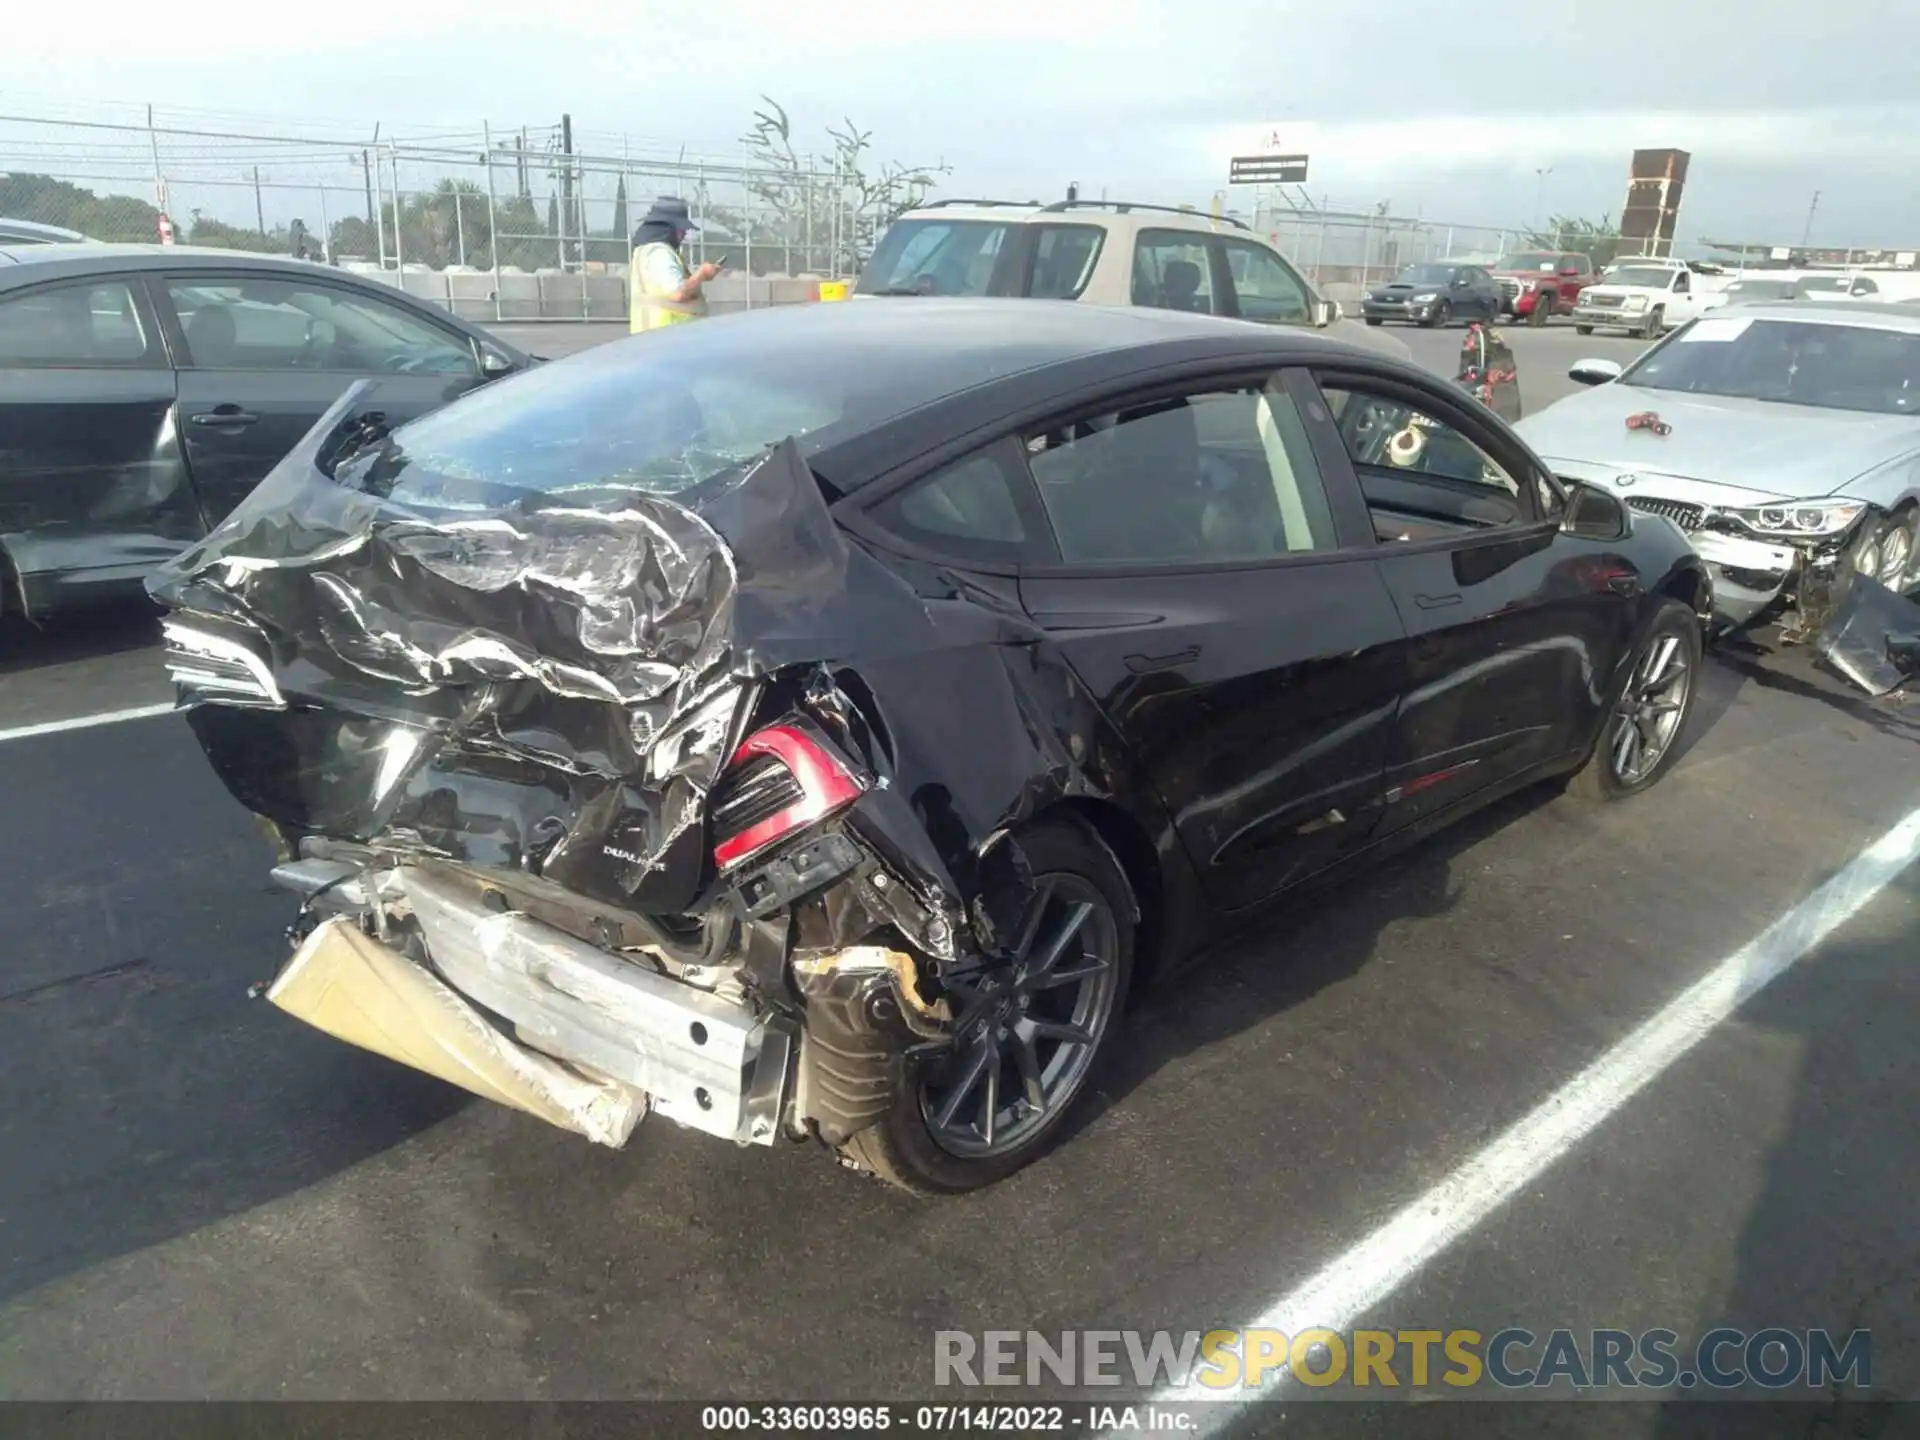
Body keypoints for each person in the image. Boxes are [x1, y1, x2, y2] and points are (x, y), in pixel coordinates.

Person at [629, 196, 722, 333]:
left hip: (654, 337)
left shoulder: (645, 251)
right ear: (668, 228)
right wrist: (702, 274)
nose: (684, 233)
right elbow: (678, 293)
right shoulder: (659, 254)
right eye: (680, 228)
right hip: (666, 336)